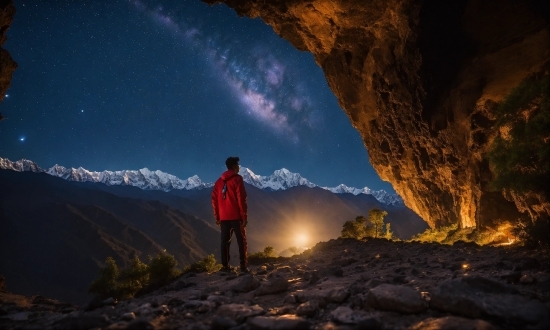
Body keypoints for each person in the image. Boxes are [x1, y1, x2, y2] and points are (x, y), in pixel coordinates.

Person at [211, 156, 249, 273]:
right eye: (238, 165)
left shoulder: (218, 182)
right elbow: (241, 199)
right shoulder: (238, 179)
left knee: (225, 241)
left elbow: (214, 200)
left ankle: (225, 266)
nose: (239, 168)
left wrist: (217, 217)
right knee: (241, 240)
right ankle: (243, 266)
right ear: (234, 166)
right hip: (236, 216)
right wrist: (244, 216)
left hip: (223, 217)